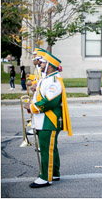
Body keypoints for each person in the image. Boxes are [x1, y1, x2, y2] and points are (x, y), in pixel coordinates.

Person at [24, 51, 73, 188]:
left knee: (46, 149)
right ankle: (55, 172)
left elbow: (49, 101)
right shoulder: (47, 78)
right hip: (44, 119)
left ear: (50, 66)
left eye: (44, 62)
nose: (41, 64)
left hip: (49, 119)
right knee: (51, 147)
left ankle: (45, 177)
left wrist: (32, 107)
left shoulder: (54, 81)